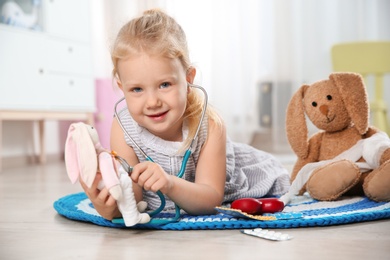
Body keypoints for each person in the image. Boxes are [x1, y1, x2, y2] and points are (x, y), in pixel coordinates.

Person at [81, 9, 290, 220]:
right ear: (122, 87)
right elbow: (133, 197)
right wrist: (109, 207)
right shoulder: (123, 127)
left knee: (294, 180)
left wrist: (170, 183)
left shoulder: (210, 125)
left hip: (238, 177)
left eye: (165, 84)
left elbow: (211, 199)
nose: (153, 102)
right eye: (137, 89)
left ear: (188, 79)